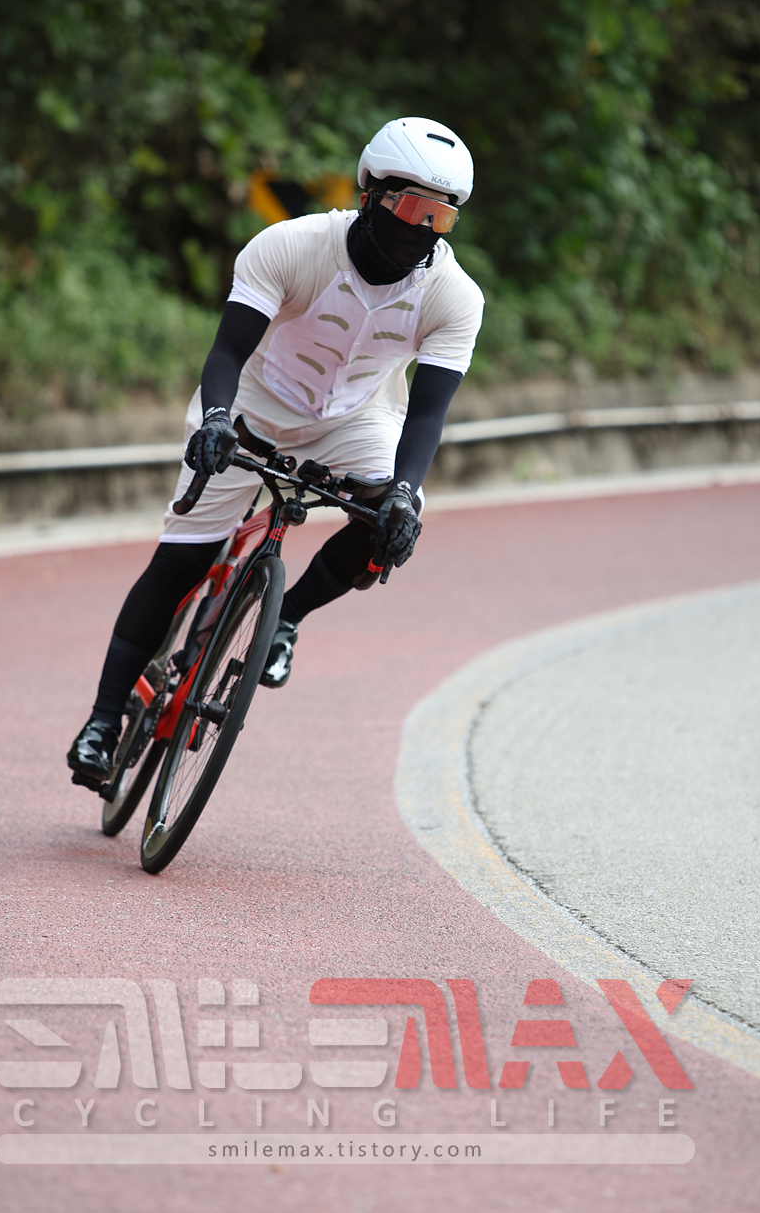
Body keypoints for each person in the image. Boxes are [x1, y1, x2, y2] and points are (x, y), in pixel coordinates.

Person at [68, 116, 485, 787]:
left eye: (441, 216)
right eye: (411, 208)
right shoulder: (293, 245)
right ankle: (102, 720)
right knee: (182, 561)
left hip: (357, 419)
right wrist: (214, 421)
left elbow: (427, 416)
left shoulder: (455, 297)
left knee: (391, 520)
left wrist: (405, 496)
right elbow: (227, 352)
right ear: (371, 193)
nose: (423, 229)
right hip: (252, 403)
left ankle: (285, 617)